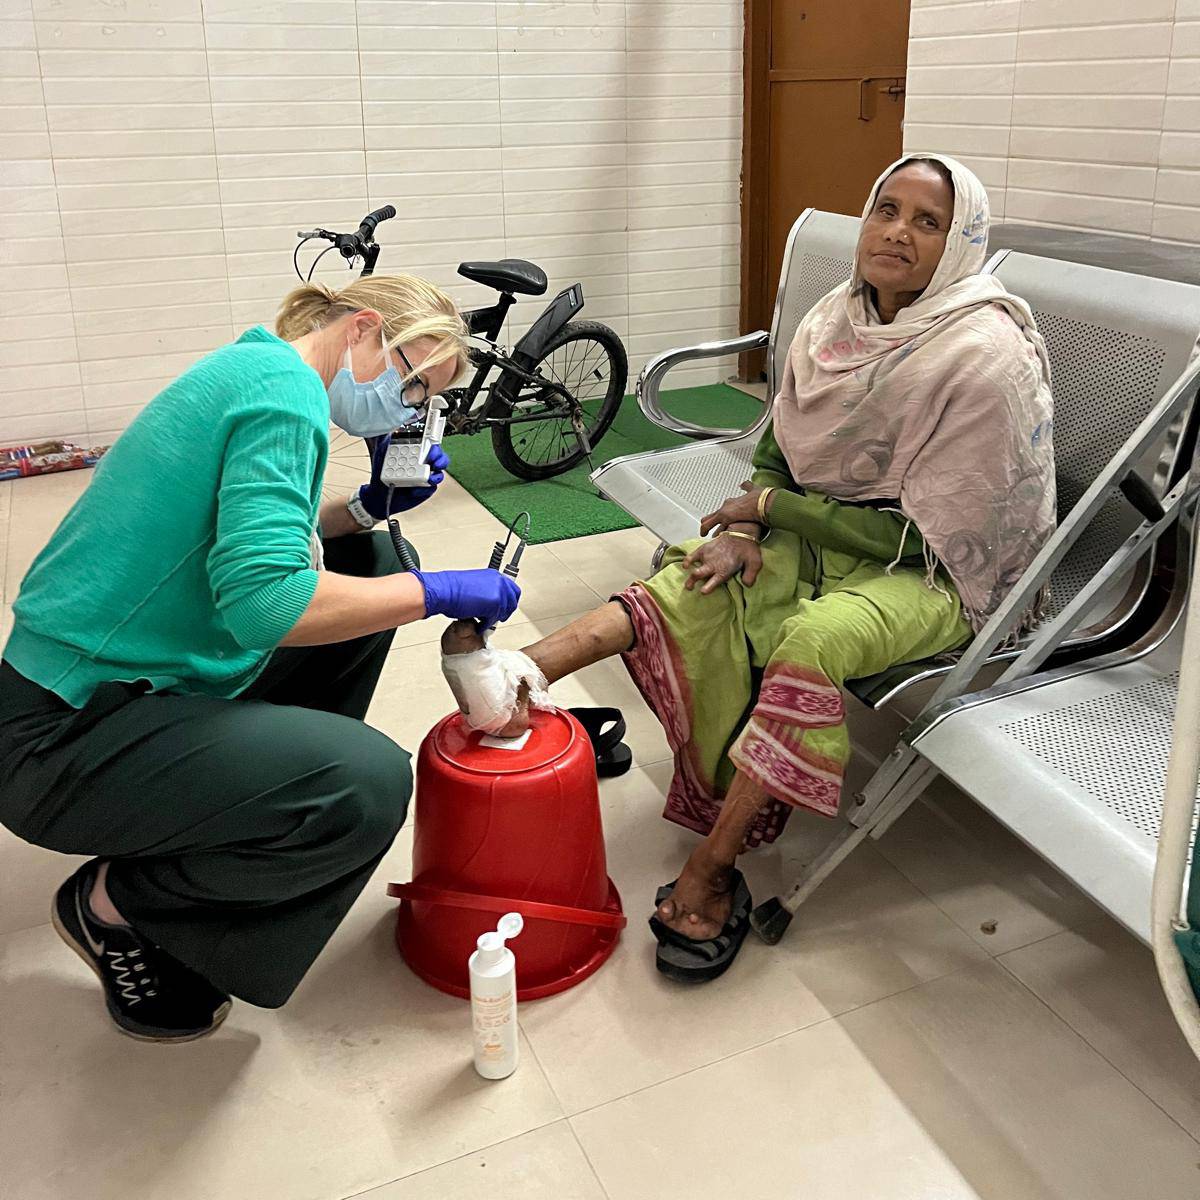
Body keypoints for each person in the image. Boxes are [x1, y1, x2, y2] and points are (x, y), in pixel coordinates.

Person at [441, 153, 1056, 982]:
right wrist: (753, 526)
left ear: (959, 245)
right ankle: (515, 674)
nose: (897, 234)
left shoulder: (984, 353)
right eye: (887, 209)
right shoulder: (834, 322)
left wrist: (770, 514)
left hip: (938, 569)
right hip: (824, 534)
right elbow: (778, 444)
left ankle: (715, 866)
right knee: (696, 571)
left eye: (928, 222)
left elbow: (922, 535)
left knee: (811, 639)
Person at [0, 274, 522, 1041]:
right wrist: (438, 590)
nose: (411, 413)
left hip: (108, 690)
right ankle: (117, 904)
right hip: (56, 738)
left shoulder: (261, 369)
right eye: (413, 384)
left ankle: (241, 796)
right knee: (364, 781)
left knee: (368, 560)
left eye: (424, 404)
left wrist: (367, 510)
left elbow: (255, 542)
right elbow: (268, 602)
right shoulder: (286, 395)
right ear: (363, 329)